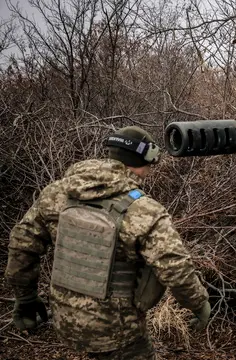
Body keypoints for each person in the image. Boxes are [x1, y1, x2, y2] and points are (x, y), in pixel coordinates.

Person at [4, 126, 211, 360]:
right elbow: (175, 268)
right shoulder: (144, 210)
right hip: (119, 330)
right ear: (145, 159)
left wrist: (26, 298)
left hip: (65, 319)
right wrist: (199, 304)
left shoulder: (57, 193)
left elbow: (22, 243)